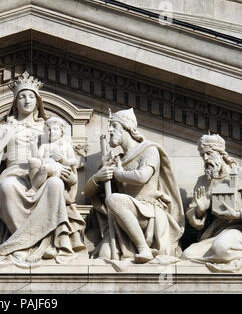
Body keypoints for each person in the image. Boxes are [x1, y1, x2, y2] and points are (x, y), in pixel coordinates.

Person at [0, 72, 85, 266]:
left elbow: (64, 157)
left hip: (43, 173)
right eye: (22, 96)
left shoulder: (48, 128)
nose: (27, 100)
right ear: (15, 102)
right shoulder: (6, 129)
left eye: (31, 96)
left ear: (38, 101)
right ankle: (23, 244)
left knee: (56, 184)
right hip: (14, 173)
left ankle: (49, 242)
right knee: (7, 186)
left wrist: (66, 173)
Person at [84, 108, 184, 263]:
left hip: (147, 213)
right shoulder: (116, 160)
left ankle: (143, 248)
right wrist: (98, 177)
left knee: (115, 199)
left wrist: (119, 174)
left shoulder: (149, 149)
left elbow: (142, 176)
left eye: (114, 126)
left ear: (127, 128)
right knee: (103, 255)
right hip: (123, 221)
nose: (109, 130)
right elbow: (87, 192)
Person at [182, 134, 242, 269]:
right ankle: (220, 256)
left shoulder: (239, 175)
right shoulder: (203, 181)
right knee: (187, 255)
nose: (205, 159)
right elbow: (193, 216)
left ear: (221, 153)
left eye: (209, 153)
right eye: (202, 155)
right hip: (214, 232)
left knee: (222, 248)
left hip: (237, 230)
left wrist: (236, 215)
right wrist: (200, 210)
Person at [27, 116, 78, 196]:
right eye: (49, 130)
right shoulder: (44, 146)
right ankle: (36, 182)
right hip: (46, 164)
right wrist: (33, 146)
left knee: (45, 168)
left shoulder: (65, 145)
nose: (52, 132)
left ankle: (34, 189)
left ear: (62, 132)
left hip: (59, 168)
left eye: (55, 129)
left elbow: (75, 161)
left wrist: (63, 160)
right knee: (32, 161)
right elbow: (38, 158)